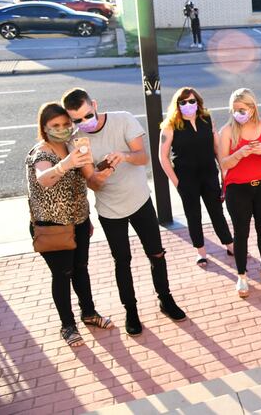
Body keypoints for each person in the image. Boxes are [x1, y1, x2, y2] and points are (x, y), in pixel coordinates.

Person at [62, 88, 187, 337]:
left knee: (156, 253)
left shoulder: (123, 119)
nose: (84, 122)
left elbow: (143, 158)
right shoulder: (76, 141)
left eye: (88, 115)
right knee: (122, 261)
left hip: (140, 201)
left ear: (94, 104)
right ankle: (131, 310)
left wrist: (124, 156)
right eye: (77, 120)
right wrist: (99, 177)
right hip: (110, 211)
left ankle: (166, 299)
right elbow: (92, 183)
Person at [25, 103, 113, 347]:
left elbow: (81, 185)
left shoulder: (72, 147)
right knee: (62, 275)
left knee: (81, 269)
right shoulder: (41, 153)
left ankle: (89, 313)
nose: (62, 129)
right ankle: (67, 325)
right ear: (44, 127)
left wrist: (87, 217)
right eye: (55, 125)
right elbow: (44, 178)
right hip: (53, 227)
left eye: (66, 124)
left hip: (79, 222)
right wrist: (65, 164)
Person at [159, 87, 234, 265]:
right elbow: (163, 157)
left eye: (192, 101)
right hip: (186, 179)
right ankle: (201, 251)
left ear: (198, 102)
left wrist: (224, 170)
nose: (188, 105)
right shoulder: (170, 126)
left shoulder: (206, 119)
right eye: (183, 102)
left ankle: (230, 245)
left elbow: (217, 147)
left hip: (209, 175)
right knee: (193, 215)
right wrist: (176, 182)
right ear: (177, 104)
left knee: (217, 212)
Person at [218, 88, 261, 298]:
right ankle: (242, 275)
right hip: (237, 189)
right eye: (234, 110)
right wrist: (238, 154)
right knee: (241, 232)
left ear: (253, 108)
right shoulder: (227, 131)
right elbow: (223, 163)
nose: (238, 114)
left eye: (242, 109)